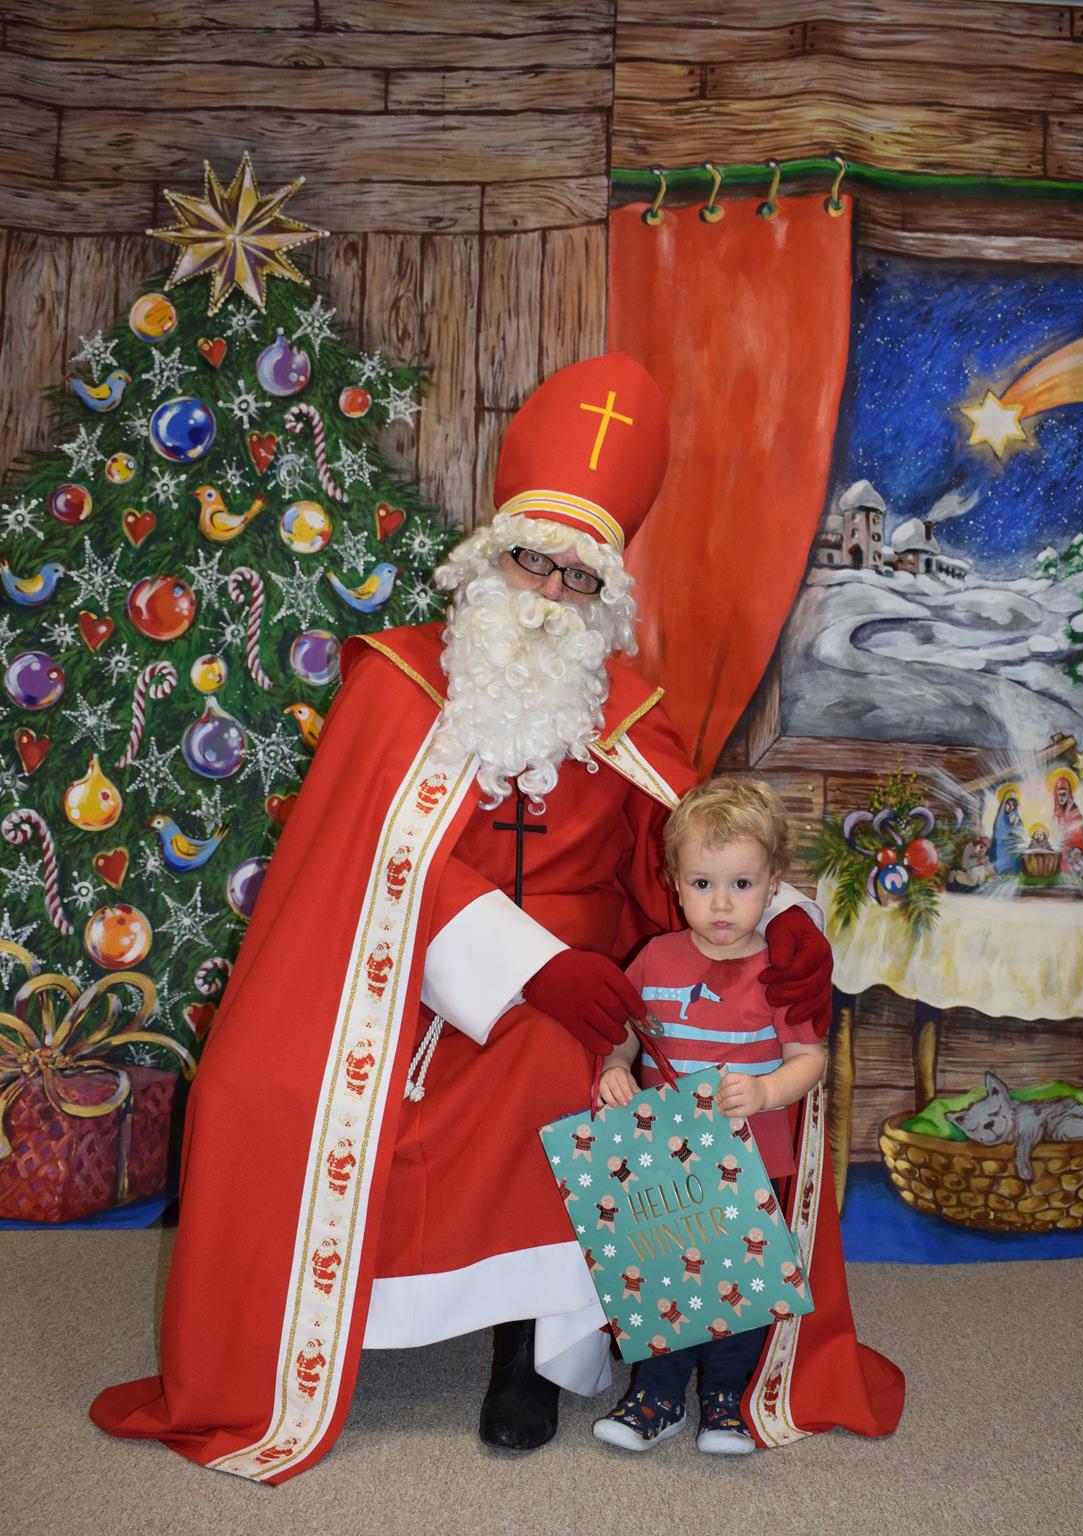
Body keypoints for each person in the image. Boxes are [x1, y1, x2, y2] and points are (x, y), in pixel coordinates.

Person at [89, 353, 836, 1483]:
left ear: (604, 597)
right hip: (390, 971)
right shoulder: (396, 683)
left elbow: (692, 850)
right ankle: (314, 1330)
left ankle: (527, 1355)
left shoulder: (625, 711)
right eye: (533, 561)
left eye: (577, 577)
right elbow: (360, 866)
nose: (548, 594)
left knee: (562, 1059)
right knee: (254, 1086)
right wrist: (525, 965)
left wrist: (778, 919)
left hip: (584, 988)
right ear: (492, 559)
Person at [591, 777, 828, 1455]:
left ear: (773, 885)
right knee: (663, 1277)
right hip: (665, 1159)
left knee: (740, 1284)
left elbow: (809, 1058)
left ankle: (726, 1399)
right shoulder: (654, 959)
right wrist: (615, 1068)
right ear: (675, 884)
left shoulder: (779, 971)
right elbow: (625, 1034)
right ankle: (658, 1397)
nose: (721, 904)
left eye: (742, 885)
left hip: (752, 1157)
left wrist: (768, 1091)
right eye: (702, 884)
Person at [1049, 767, 1083, 870]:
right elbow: (1054, 833)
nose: (1061, 798)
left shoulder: (1075, 812)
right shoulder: (1056, 813)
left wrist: (1067, 814)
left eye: (1064, 794)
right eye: (1059, 795)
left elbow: (1077, 835)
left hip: (1074, 852)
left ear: (1069, 794)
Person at [989, 782, 1024, 875]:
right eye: (1008, 803)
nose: (1011, 806)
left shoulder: (1016, 818)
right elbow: (997, 833)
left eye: (1013, 804)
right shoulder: (999, 819)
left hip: (1012, 848)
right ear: (1004, 804)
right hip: (1000, 847)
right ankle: (1002, 870)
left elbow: (1020, 832)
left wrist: (1017, 824)